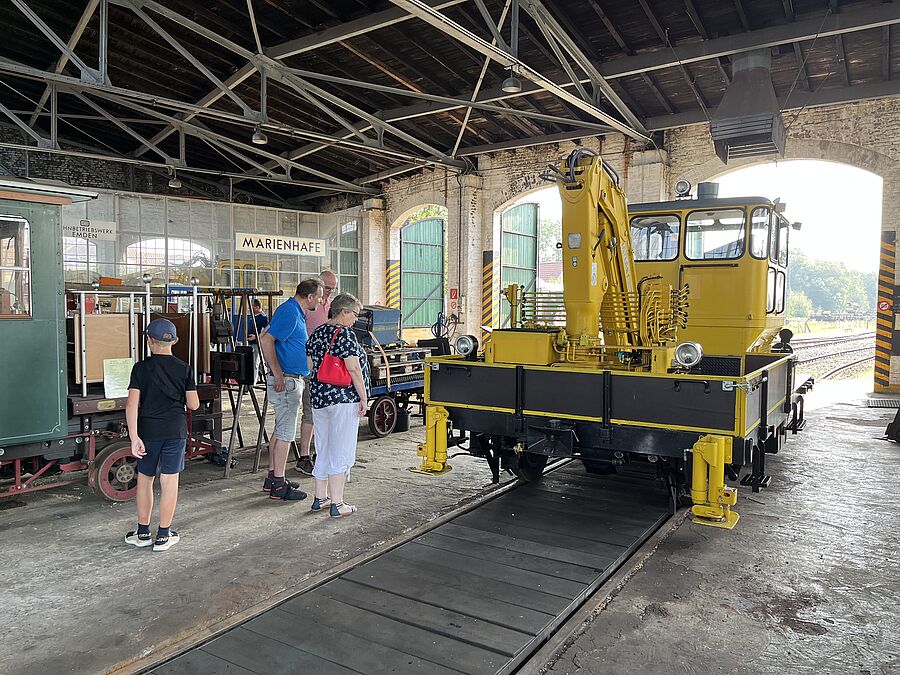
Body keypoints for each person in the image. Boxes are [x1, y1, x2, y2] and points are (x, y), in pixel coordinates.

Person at [124, 318, 200, 552]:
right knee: (169, 481)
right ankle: (164, 535)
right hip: (175, 431)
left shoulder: (141, 368)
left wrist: (134, 437)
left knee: (145, 480)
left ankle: (143, 532)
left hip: (148, 431)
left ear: (149, 341)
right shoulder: (184, 368)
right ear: (174, 341)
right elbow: (194, 405)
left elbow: (131, 405)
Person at [258, 278, 323, 500]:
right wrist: (277, 373)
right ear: (310, 296)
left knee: (280, 429)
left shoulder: (294, 311)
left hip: (290, 378)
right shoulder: (289, 311)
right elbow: (266, 340)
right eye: (320, 296)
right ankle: (278, 485)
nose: (322, 300)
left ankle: (273, 478)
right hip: (286, 380)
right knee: (286, 434)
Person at [306, 293, 369, 518]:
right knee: (341, 449)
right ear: (343, 312)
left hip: (319, 398)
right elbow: (353, 369)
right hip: (343, 399)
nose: (355, 319)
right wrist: (363, 397)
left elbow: (311, 365)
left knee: (323, 446)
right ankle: (338, 503)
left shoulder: (317, 332)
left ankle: (320, 498)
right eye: (354, 314)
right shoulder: (345, 334)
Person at [295, 270, 338, 476]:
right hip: (308, 366)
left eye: (332, 289)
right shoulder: (307, 307)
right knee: (309, 411)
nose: (329, 293)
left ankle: (318, 452)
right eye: (326, 288)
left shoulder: (329, 306)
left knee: (324, 412)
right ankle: (303, 456)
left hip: (326, 366)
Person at [247, 298, 269, 382]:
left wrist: (257, 337)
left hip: (258, 344)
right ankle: (265, 377)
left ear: (257, 307)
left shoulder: (263, 317)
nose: (250, 308)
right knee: (259, 363)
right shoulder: (252, 316)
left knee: (255, 363)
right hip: (251, 343)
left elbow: (267, 329)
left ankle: (252, 383)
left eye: (252, 306)